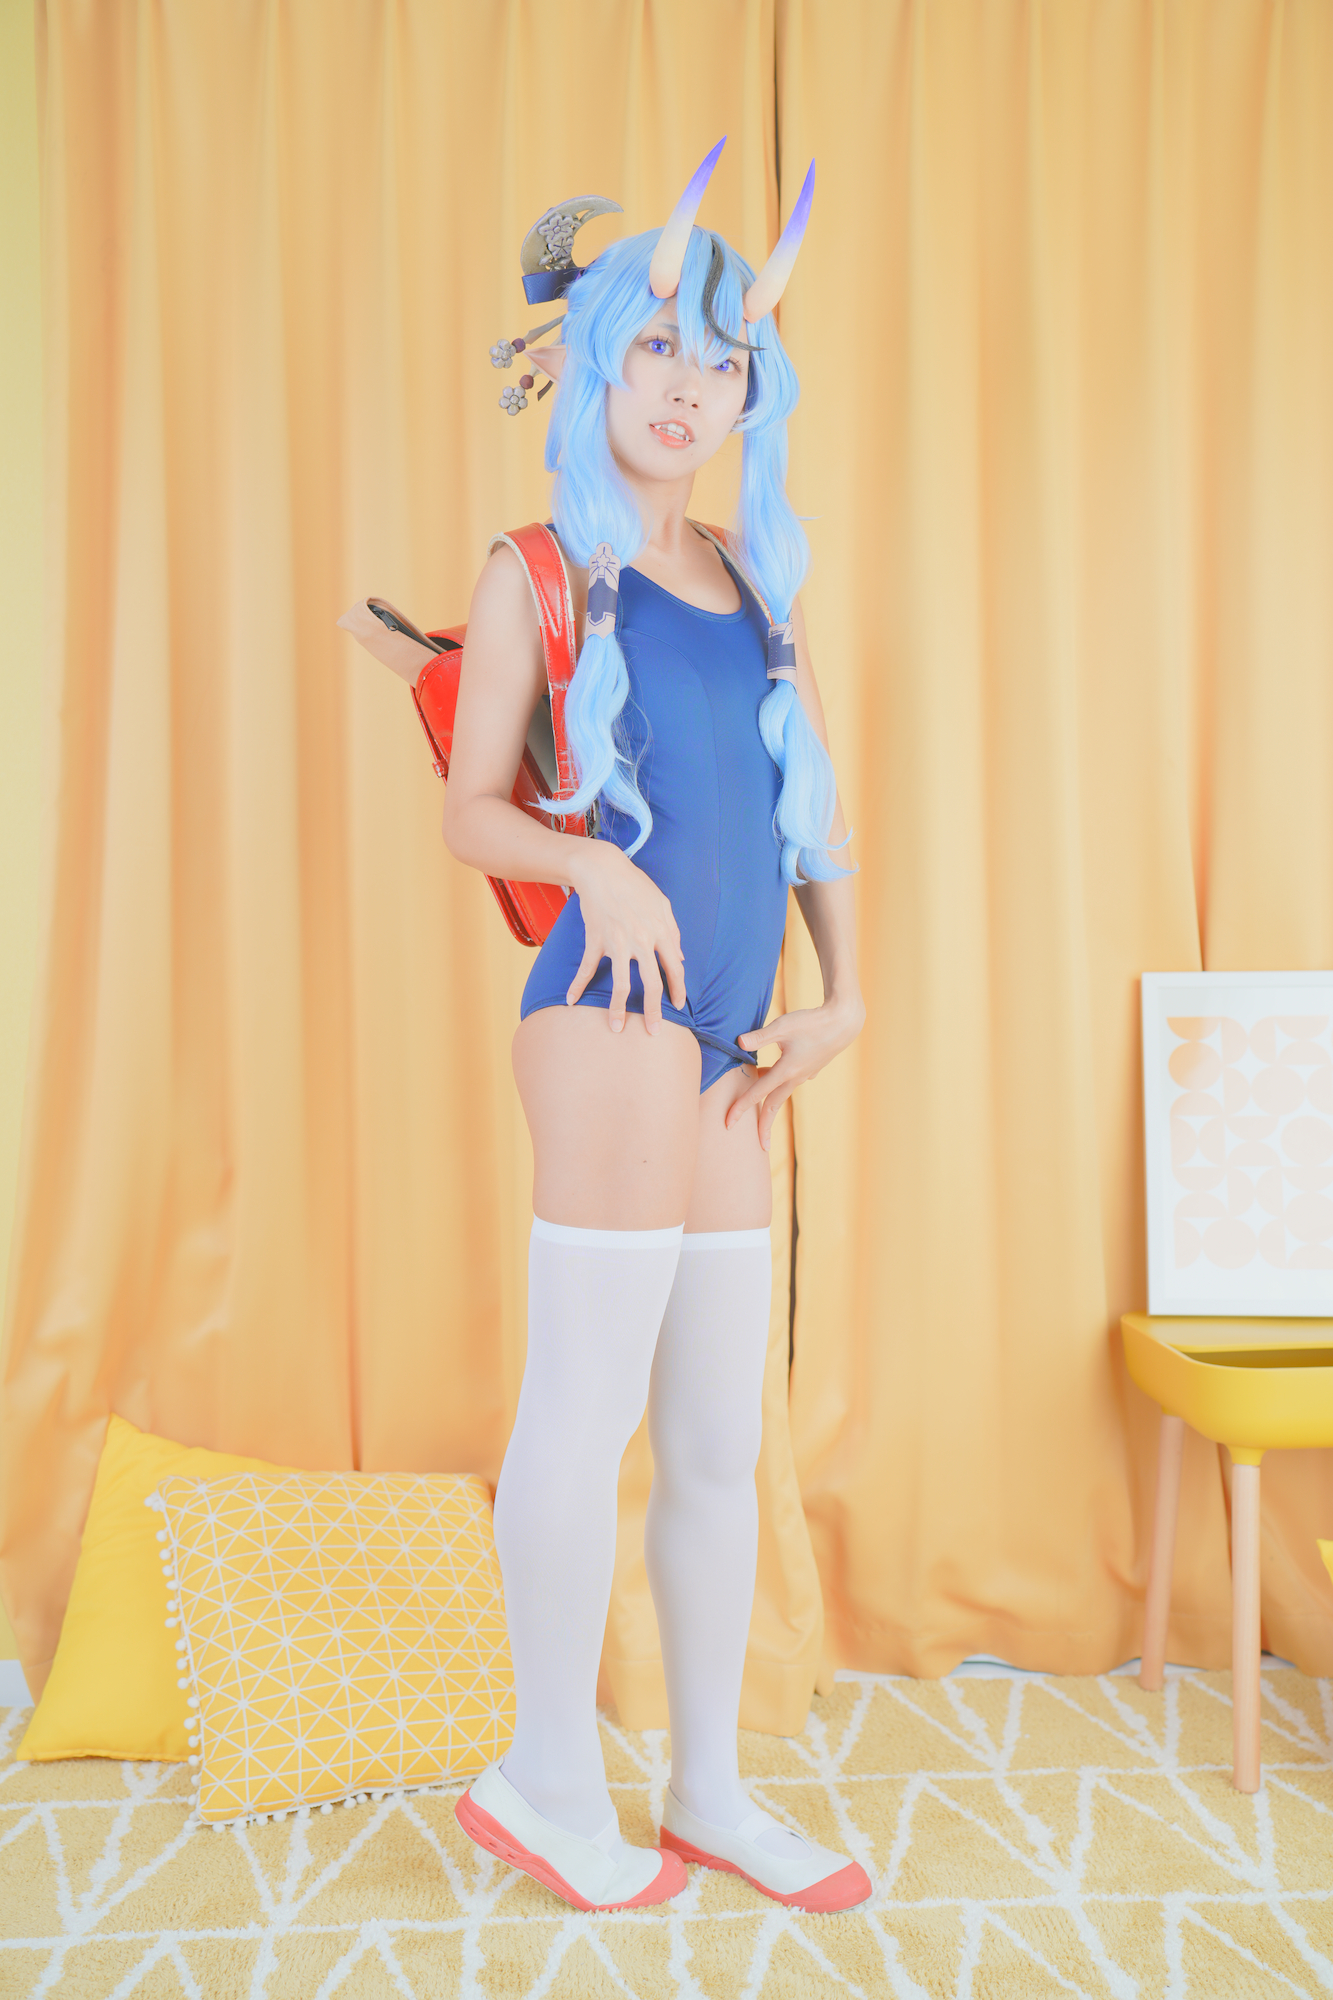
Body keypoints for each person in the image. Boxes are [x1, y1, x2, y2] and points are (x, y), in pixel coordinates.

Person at [442, 146, 869, 1915]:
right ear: (597, 363)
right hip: (608, 1017)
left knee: (712, 1441)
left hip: (735, 1039)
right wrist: (587, 867)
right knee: (585, 1404)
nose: (689, 388)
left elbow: (812, 817)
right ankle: (546, 1780)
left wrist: (845, 996)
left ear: (748, 395)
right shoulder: (535, 568)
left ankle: (705, 1790)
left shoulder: (762, 585)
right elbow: (472, 810)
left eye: (723, 362)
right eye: (658, 350)